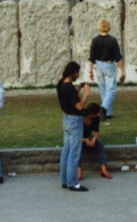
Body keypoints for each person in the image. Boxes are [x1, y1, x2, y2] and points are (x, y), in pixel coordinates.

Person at [57, 61, 89, 192]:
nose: (78, 75)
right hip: (75, 121)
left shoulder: (61, 85)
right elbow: (79, 106)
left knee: (66, 151)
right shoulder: (69, 88)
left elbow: (71, 97)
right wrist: (86, 93)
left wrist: (79, 88)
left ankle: (64, 180)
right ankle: (73, 183)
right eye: (77, 73)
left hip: (67, 119)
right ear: (72, 73)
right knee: (74, 154)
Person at [87, 19, 125, 120]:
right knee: (111, 90)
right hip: (109, 65)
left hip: (98, 65)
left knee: (103, 89)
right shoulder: (112, 40)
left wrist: (90, 71)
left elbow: (91, 58)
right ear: (108, 27)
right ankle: (104, 109)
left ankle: (107, 113)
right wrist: (122, 71)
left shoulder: (95, 40)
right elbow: (118, 57)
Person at [78, 103, 110, 180]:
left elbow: (96, 133)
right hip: (78, 138)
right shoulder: (80, 118)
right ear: (91, 113)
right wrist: (84, 140)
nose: (98, 114)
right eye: (97, 113)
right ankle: (78, 170)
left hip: (88, 137)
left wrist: (93, 139)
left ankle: (103, 169)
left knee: (99, 144)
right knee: (77, 148)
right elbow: (75, 135)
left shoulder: (96, 119)